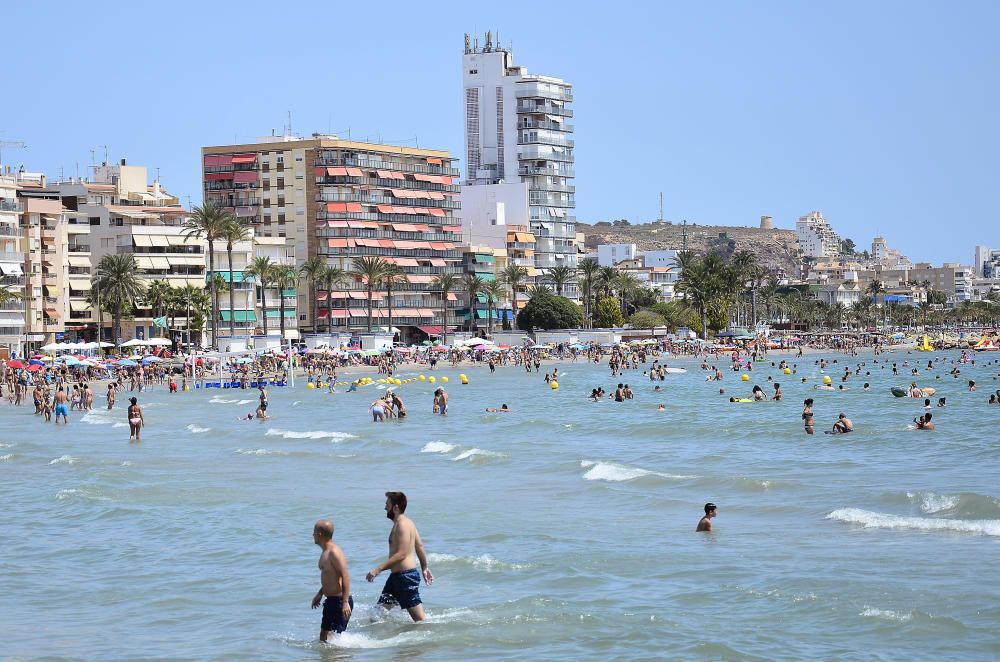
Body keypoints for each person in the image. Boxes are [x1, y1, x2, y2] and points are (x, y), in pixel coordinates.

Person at [367, 492, 433, 622]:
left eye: (387, 504)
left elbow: (401, 554)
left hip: (405, 578)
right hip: (396, 579)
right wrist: (424, 567)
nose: (385, 507)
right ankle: (388, 638)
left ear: (395, 507)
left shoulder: (402, 525)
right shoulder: (407, 523)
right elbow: (419, 546)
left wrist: (377, 569)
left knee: (420, 620)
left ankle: (433, 638)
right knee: (377, 615)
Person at [311, 520, 352, 641]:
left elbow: (345, 576)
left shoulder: (334, 552)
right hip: (331, 600)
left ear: (319, 534)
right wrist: (320, 594)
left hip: (340, 602)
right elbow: (330, 578)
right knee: (324, 636)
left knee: (335, 640)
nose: (312, 535)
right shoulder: (325, 552)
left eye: (313, 532)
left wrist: (345, 602)